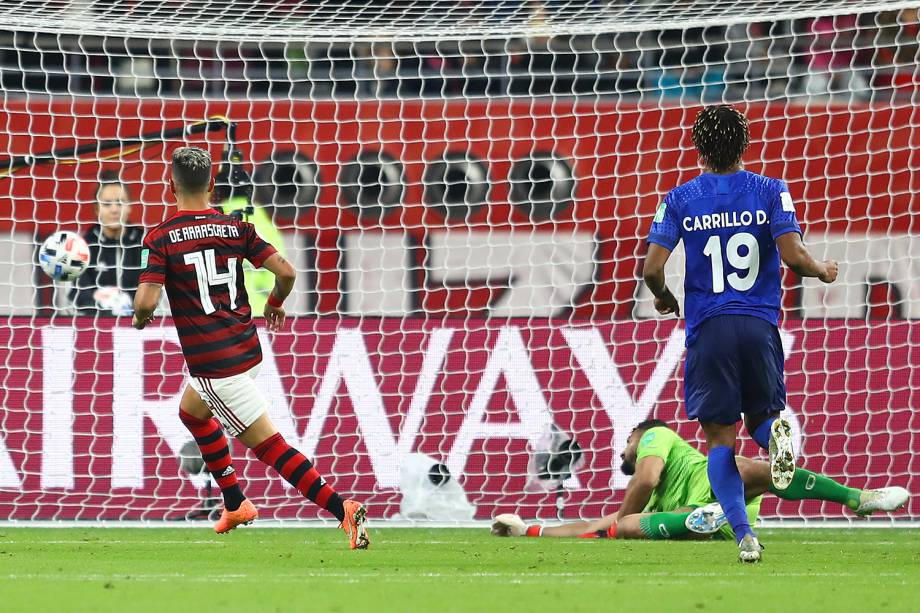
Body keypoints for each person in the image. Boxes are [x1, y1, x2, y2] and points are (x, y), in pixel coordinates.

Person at [132, 146, 369, 549]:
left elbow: (145, 302)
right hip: (248, 349)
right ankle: (235, 502)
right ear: (211, 184)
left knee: (270, 447)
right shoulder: (235, 226)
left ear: (169, 185)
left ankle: (342, 507)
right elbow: (287, 272)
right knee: (191, 412)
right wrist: (274, 302)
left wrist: (140, 318)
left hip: (216, 368)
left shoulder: (161, 238)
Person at [641, 105, 839, 562]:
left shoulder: (680, 197)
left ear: (698, 147)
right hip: (758, 323)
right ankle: (776, 440)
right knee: (762, 418)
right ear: (745, 144)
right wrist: (823, 271)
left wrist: (665, 297)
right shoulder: (771, 190)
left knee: (719, 441)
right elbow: (794, 257)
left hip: (709, 326)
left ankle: (744, 536)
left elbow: (651, 268)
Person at [491, 420, 909, 540]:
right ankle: (706, 519)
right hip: (709, 523)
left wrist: (616, 519)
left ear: (641, 434)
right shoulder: (647, 500)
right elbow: (587, 527)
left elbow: (648, 475)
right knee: (630, 527)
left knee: (745, 468)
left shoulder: (658, 437)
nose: (622, 452)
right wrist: (529, 529)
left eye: (626, 442)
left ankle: (858, 498)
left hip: (715, 483)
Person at [72, 170, 144, 315]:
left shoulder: (144, 243)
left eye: (120, 203)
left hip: (138, 323)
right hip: (96, 326)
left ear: (129, 206)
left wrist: (126, 304)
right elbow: (79, 295)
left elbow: (153, 290)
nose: (114, 209)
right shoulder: (84, 245)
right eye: (106, 204)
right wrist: (105, 306)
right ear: (97, 209)